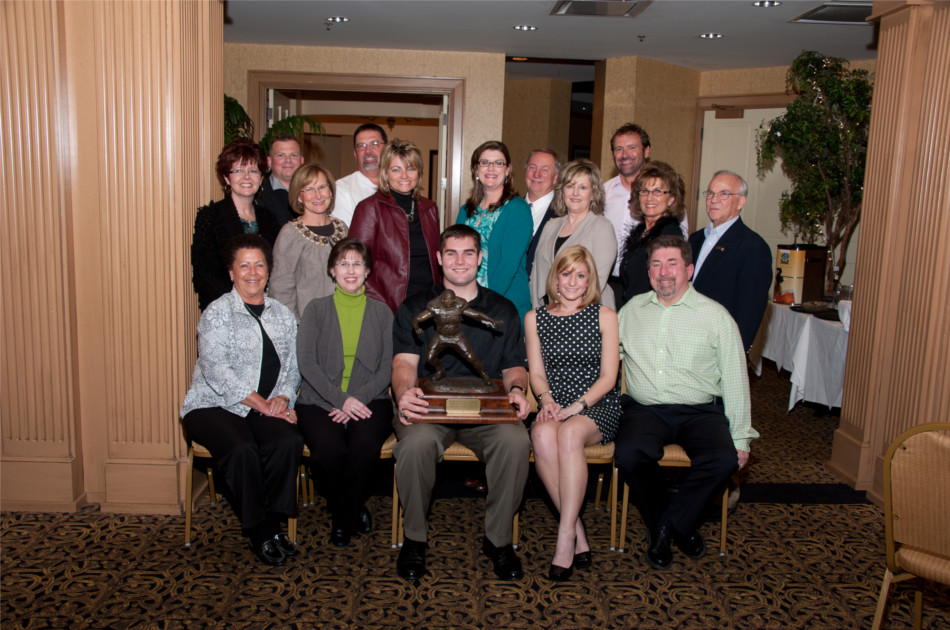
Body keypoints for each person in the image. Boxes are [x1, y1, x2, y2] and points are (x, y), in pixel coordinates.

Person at [391, 224, 531, 581]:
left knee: (515, 441)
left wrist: (517, 389)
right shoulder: (415, 305)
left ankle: (499, 541)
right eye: (451, 253)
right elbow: (403, 363)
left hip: (486, 412)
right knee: (416, 446)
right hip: (429, 410)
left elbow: (514, 366)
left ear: (479, 258)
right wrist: (405, 392)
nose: (460, 261)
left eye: (468, 253)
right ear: (439, 258)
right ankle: (414, 539)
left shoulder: (503, 308)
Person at [614, 235, 758, 570]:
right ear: (648, 271)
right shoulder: (631, 311)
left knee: (724, 460)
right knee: (629, 453)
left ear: (689, 270)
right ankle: (680, 525)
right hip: (646, 410)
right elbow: (608, 362)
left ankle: (667, 526)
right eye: (656, 264)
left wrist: (741, 437)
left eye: (672, 264)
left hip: (700, 412)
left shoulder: (716, 316)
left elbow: (735, 378)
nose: (663, 272)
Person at [180, 234, 302, 567]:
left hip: (263, 406)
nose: (252, 272)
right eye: (244, 265)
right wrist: (262, 405)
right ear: (231, 272)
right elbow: (216, 370)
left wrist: (282, 397)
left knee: (288, 440)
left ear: (268, 270)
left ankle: (273, 520)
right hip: (213, 405)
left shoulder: (283, 315)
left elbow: (293, 367)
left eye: (259, 265)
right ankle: (262, 530)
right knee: (243, 449)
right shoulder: (217, 313)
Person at [525, 245, 621, 582]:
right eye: (566, 273)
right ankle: (577, 527)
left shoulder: (604, 316)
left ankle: (565, 536)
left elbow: (609, 377)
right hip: (556, 402)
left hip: (596, 403)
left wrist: (579, 405)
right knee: (540, 434)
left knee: (568, 433)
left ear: (590, 280)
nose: (572, 282)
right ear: (555, 278)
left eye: (581, 275)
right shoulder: (535, 318)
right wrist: (547, 400)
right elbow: (537, 373)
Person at [296, 237, 394, 548]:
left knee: (363, 448)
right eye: (343, 263)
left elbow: (387, 367)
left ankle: (342, 517)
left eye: (357, 264)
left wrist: (356, 400)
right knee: (328, 452)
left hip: (371, 398)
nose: (350, 270)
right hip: (318, 399)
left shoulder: (383, 313)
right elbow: (306, 364)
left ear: (367, 271)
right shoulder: (315, 309)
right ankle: (351, 508)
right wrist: (341, 400)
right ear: (332, 270)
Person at [349, 139, 442, 313]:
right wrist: (382, 308)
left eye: (411, 169)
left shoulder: (430, 208)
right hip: (389, 308)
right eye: (396, 169)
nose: (404, 176)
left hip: (429, 307)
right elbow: (355, 264)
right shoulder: (369, 208)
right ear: (385, 172)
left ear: (419, 172)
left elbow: (437, 264)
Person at [689, 170, 773, 353]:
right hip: (685, 339)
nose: (714, 200)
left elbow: (749, 313)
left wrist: (733, 355)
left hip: (718, 347)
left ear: (741, 202)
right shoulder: (694, 240)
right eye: (710, 193)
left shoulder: (753, 247)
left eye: (724, 194)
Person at [191, 140, 280, 310]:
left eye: (253, 171)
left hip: (266, 307)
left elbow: (275, 268)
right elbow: (205, 274)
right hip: (226, 309)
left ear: (261, 177)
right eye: (238, 170)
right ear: (226, 177)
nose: (246, 177)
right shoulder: (211, 216)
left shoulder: (269, 218)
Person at [602, 124, 690, 291]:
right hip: (612, 286)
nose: (624, 154)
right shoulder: (602, 193)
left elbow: (675, 264)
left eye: (631, 147)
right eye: (619, 149)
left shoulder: (670, 230)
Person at [455, 140, 533, 322]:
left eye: (498, 163)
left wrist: (482, 304)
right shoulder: (466, 211)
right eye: (485, 162)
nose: (491, 168)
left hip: (502, 305)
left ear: (507, 170)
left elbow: (507, 267)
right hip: (466, 302)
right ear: (476, 169)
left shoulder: (518, 209)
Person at [529, 159, 617, 311]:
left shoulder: (602, 227)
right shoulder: (550, 226)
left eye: (583, 187)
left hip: (587, 313)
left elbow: (597, 282)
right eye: (570, 186)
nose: (575, 193)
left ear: (593, 194)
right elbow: (536, 275)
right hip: (548, 311)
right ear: (562, 191)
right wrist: (539, 313)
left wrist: (566, 315)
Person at [268, 163, 348, 320]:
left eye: (322, 187)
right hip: (307, 325)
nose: (318, 195)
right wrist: (296, 327)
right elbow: (281, 290)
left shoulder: (343, 229)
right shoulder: (290, 234)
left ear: (331, 191)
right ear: (299, 196)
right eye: (309, 189)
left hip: (344, 320)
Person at [618, 161, 688, 306]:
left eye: (657, 192)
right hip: (633, 308)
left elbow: (668, 284)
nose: (649, 198)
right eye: (644, 191)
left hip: (653, 311)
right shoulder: (641, 232)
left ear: (671, 199)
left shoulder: (669, 234)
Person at [334, 124, 388, 227]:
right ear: (355, 154)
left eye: (375, 144)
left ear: (387, 149)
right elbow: (349, 233)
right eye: (361, 146)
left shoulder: (401, 184)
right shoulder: (342, 188)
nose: (368, 151)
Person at [523, 149, 560, 276]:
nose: (536, 174)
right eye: (532, 167)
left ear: (555, 178)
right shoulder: (508, 208)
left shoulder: (564, 215)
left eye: (544, 170)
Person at [257, 133, 305, 226]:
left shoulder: (313, 194)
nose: (288, 160)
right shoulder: (258, 197)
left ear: (301, 161)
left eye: (293, 155)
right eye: (280, 155)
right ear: (269, 161)